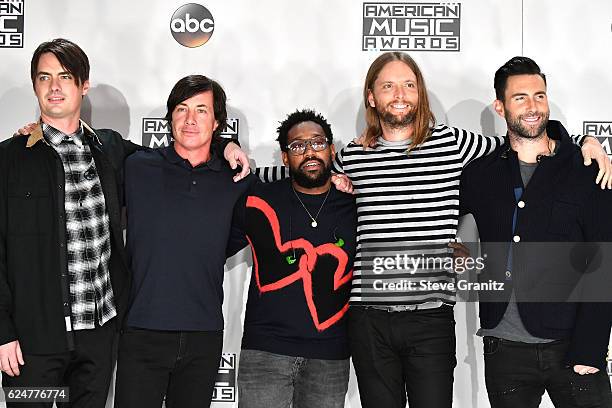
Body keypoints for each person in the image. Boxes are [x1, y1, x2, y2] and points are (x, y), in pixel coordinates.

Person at [233, 51, 612, 408]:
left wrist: (584, 141)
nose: (400, 95)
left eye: (409, 85)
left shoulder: (454, 143)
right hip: (368, 318)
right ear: (371, 96)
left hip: (431, 318)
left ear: (420, 93)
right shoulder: (351, 156)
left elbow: (525, 139)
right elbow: (298, 169)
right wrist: (230, 157)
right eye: (388, 86)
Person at [459, 56, 612, 407]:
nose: (533, 107)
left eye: (539, 96)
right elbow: (454, 230)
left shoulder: (586, 170)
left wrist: (590, 347)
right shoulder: (480, 175)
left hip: (572, 346)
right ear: (500, 106)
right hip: (504, 348)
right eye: (520, 98)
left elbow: (604, 263)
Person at [0, 38, 138, 407]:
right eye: (44, 78)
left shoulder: (109, 150)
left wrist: (225, 146)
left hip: (98, 335)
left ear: (83, 85)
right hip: (34, 345)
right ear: (35, 87)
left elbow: (178, 156)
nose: (55, 87)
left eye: (65, 76)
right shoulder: (9, 159)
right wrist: (3, 332)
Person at [113, 74, 255, 408]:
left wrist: (227, 145)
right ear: (170, 117)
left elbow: (239, 234)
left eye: (202, 110)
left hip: (203, 335)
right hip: (141, 330)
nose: (190, 120)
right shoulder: (137, 166)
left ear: (217, 121)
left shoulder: (235, 177)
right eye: (182, 109)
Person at [229, 109, 357, 408]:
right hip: (265, 351)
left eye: (318, 142)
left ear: (332, 149)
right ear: (285, 158)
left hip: (330, 355)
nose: (310, 151)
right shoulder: (258, 200)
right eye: (297, 146)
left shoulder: (356, 205)